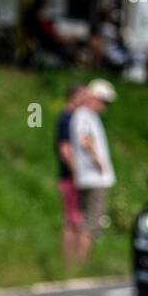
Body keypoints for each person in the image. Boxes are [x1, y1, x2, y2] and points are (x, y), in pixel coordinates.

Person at [70, 78, 117, 263]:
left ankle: (79, 260)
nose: (105, 106)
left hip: (89, 176)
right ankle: (82, 261)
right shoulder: (84, 115)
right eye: (103, 101)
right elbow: (85, 141)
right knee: (91, 222)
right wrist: (99, 162)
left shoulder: (86, 115)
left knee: (87, 221)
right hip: (94, 177)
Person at [56, 84, 85, 263]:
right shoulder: (66, 120)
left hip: (71, 176)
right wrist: (77, 173)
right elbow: (65, 149)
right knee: (72, 220)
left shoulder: (72, 119)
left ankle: (73, 262)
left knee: (75, 220)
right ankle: (69, 261)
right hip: (70, 177)